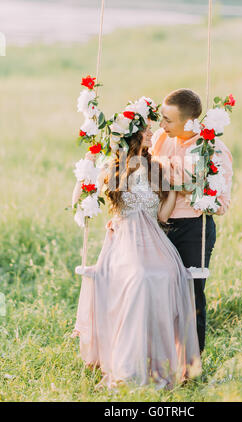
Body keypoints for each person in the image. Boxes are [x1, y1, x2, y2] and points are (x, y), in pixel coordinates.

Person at [71, 108, 202, 391]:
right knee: (140, 278)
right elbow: (90, 197)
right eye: (146, 129)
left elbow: (163, 216)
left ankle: (158, 362)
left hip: (154, 239)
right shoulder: (116, 166)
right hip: (124, 239)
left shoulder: (156, 168)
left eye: (153, 129)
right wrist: (91, 161)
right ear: (133, 134)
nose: (152, 133)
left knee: (168, 275)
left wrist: (178, 191)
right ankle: (129, 366)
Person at [150, 88, 233, 353]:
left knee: (191, 297)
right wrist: (183, 182)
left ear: (189, 122)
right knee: (157, 295)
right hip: (158, 226)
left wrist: (174, 180)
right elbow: (149, 175)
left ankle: (191, 363)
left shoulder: (213, 150)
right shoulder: (161, 139)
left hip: (193, 228)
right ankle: (161, 358)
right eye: (161, 118)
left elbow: (219, 201)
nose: (161, 125)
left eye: (168, 120)